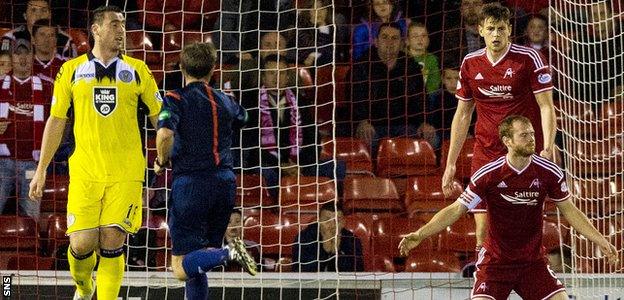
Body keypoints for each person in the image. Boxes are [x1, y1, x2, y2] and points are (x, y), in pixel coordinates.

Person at [400, 115, 619, 300]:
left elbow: (570, 211)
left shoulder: (549, 172)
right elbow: (456, 209)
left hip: (532, 263)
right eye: (524, 135)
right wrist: (421, 233)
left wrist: (600, 240)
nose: (531, 139)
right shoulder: (489, 175)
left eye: (532, 134)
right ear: (508, 141)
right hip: (495, 263)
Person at [28, 6, 162, 300]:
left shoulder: (138, 70)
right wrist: (41, 170)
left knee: (113, 239)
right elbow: (56, 120)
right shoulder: (71, 69)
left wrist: (167, 147)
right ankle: (85, 287)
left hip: (126, 171)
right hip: (86, 171)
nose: (121, 30)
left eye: (124, 25)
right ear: (96, 29)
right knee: (81, 245)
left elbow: (159, 117)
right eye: (114, 24)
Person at [441, 3, 557, 250]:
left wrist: (547, 147)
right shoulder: (470, 63)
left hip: (521, 154)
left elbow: (546, 106)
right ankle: (484, 283)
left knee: (522, 226)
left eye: (501, 29)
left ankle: (525, 279)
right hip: (485, 153)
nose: (496, 34)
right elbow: (463, 115)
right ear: (481, 30)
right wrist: (451, 163)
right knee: (482, 228)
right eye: (491, 28)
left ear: (510, 30)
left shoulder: (529, 59)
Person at [154, 42, 257, 300]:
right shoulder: (226, 100)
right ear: (213, 69)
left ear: (181, 67)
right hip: (224, 183)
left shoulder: (175, 98)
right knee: (200, 262)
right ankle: (222, 253)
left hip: (190, 184)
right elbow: (244, 118)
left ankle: (229, 253)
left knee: (180, 267)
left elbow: (165, 133)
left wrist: (161, 159)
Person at [349, 22, 432, 151]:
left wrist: (424, 122)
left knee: (432, 139)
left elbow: (420, 97)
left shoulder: (410, 66)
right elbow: (354, 98)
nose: (389, 42)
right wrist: (362, 121)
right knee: (367, 140)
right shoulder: (361, 66)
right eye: (385, 37)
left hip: (405, 126)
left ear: (401, 43)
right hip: (372, 126)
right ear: (376, 42)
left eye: (394, 38)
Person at [0, 38, 51, 220]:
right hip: (2, 163)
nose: (22, 58)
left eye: (26, 53)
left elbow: (61, 124)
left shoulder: (48, 87)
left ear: (33, 56)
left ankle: (35, 248)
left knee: (32, 216)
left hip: (33, 163)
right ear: (11, 57)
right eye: (17, 53)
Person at [293, 202, 364, 272]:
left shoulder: (352, 240)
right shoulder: (304, 237)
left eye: (337, 221)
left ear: (343, 222)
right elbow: (299, 270)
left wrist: (336, 253)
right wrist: (324, 252)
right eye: (327, 220)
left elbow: (357, 271)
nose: (332, 225)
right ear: (319, 221)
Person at [1, 0, 76, 58]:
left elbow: (73, 69)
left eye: (43, 10)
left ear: (50, 15)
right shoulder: (10, 38)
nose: (39, 15)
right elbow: (3, 69)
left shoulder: (65, 39)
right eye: (33, 10)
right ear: (25, 16)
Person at [406, 22, 440, 94]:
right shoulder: (402, 58)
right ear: (407, 41)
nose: (420, 39)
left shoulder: (432, 59)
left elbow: (434, 84)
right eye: (415, 36)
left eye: (423, 36)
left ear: (428, 40)